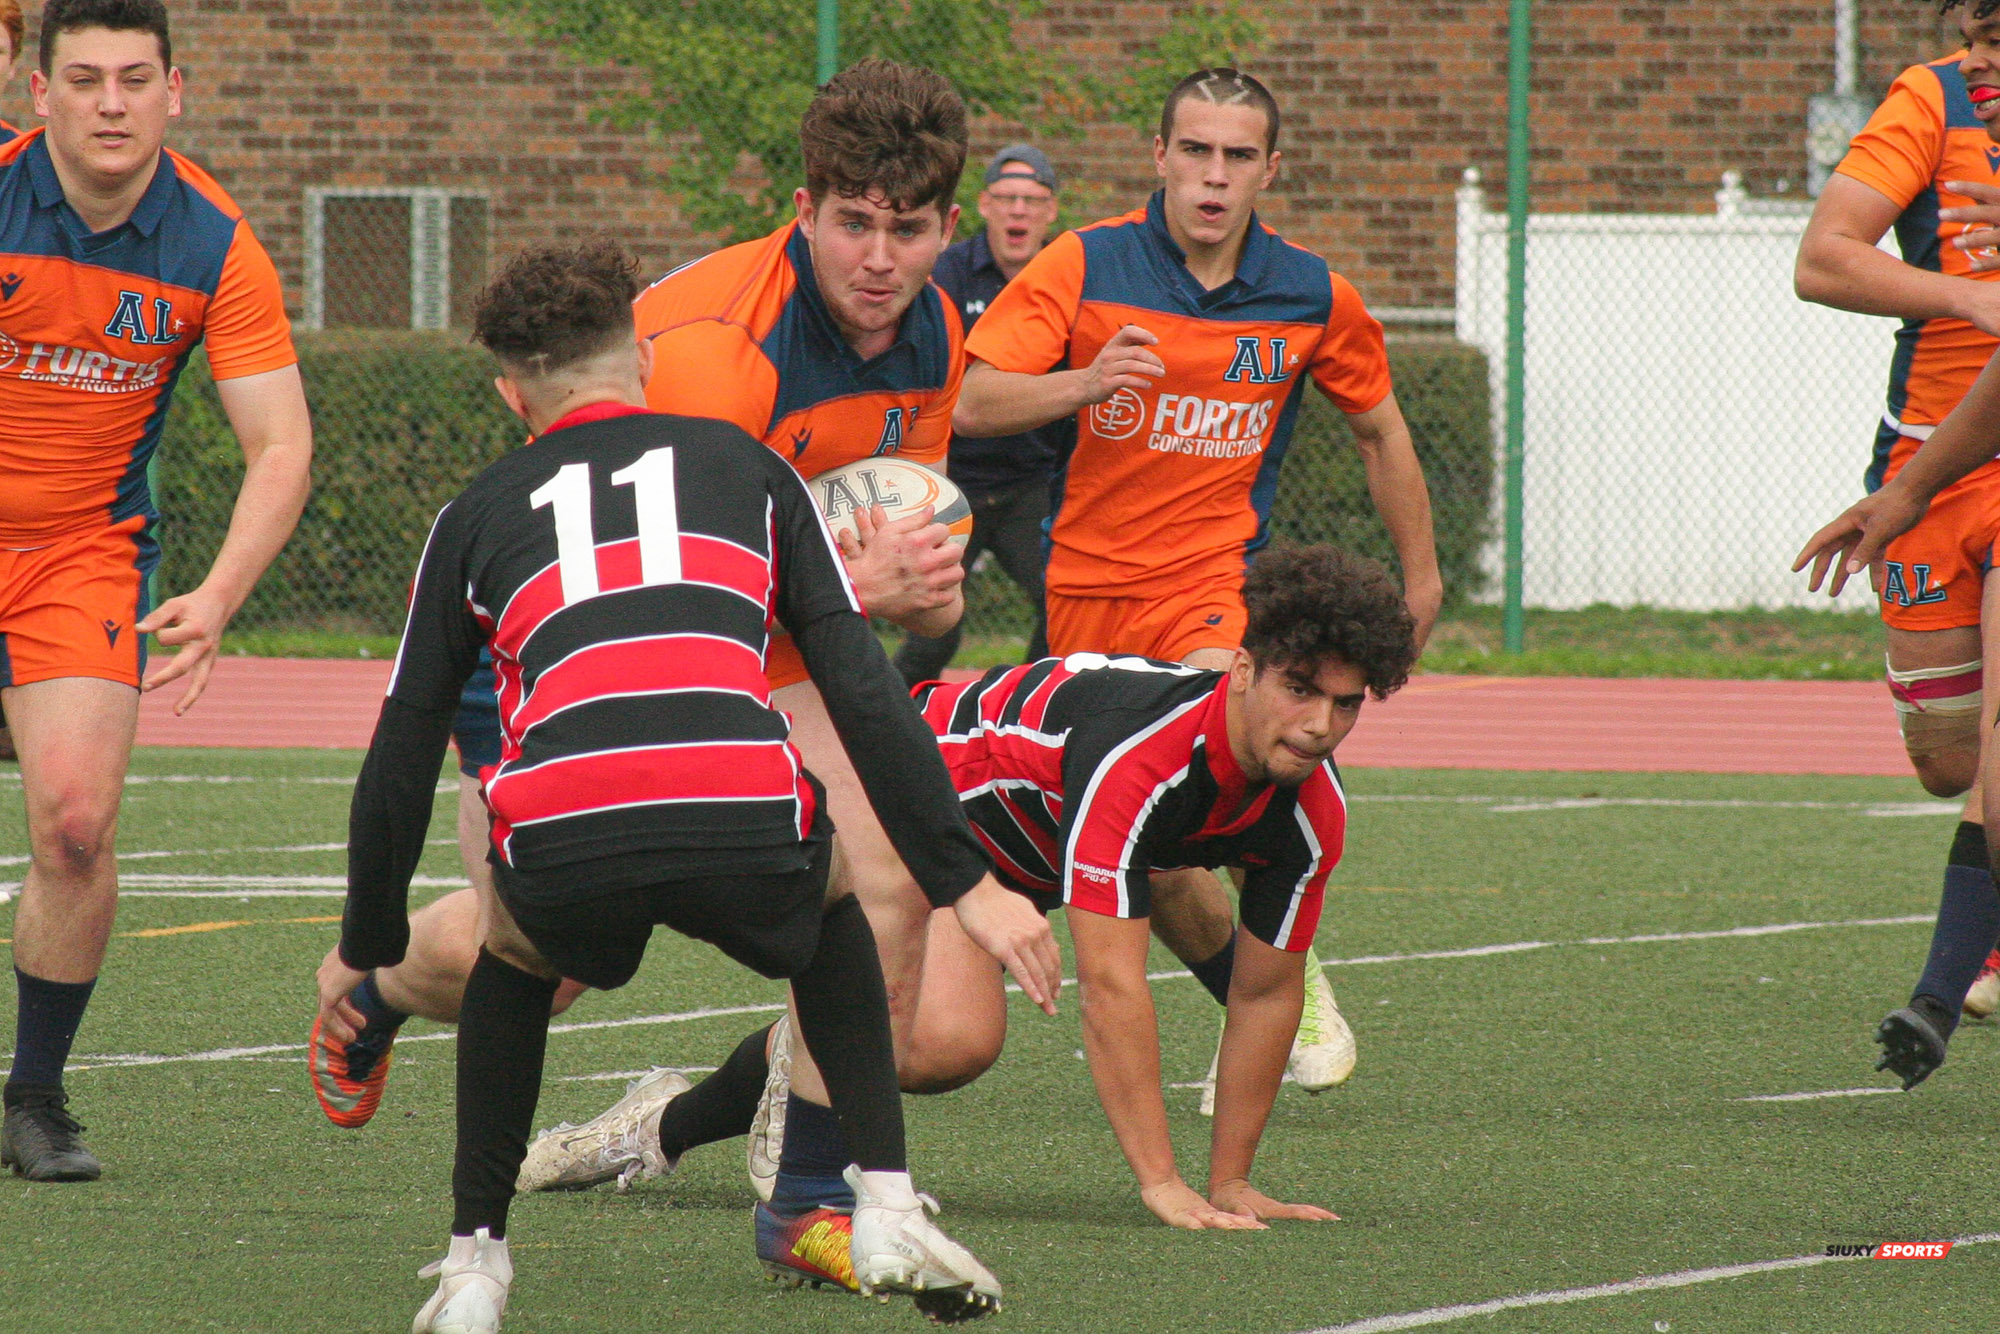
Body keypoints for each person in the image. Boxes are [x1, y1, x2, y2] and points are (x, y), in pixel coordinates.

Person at [317, 240, 1046, 1331]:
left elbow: (401, 750)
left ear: (512, 394)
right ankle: (882, 1199)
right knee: (843, 886)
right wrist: (963, 880)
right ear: (643, 361)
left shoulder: (471, 512)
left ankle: (476, 1260)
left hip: (571, 841)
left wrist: (369, 931)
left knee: (513, 946)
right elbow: (856, 682)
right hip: (744, 823)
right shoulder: (750, 470)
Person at [520, 544, 1416, 1235]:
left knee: (1179, 894)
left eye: (1346, 704)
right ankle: (719, 1108)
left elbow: (1265, 993)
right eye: (1300, 689)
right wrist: (1162, 1183)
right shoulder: (1137, 760)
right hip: (910, 797)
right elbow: (1111, 987)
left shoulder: (1310, 809)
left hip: (1016, 850)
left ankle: (690, 1110)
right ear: (1246, 670)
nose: (1319, 726)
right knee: (947, 1045)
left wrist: (1231, 1183)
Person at [953, 67, 1443, 1103]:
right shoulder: (1082, 263)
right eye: (1194, 151)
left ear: (1269, 168)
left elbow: (1379, 429)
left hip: (1214, 591)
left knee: (1239, 751)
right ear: (1159, 157)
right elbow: (966, 394)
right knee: (1165, 856)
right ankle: (1263, 989)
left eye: (1235, 157)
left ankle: (1287, 970)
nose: (1212, 176)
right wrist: (1084, 382)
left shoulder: (1309, 292)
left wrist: (1422, 577)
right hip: (1082, 601)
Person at [0, 0, 311, 1182]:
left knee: (76, 824)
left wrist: (222, 590)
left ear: (176, 90)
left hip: (82, 551)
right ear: (42, 95)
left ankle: (34, 1096)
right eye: (85, 79)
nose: (112, 102)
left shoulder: (215, 243)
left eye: (136, 78)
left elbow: (279, 442)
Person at [1792, 0, 2000, 1087]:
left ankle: (1938, 993)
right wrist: (1962, 292)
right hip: (1928, 462)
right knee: (1948, 761)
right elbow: (1820, 261)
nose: (1985, 50)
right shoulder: (1931, 102)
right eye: (1978, 27)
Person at [891, 143, 1068, 686]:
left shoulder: (1067, 274)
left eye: (1031, 200)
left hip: (1030, 482)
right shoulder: (947, 274)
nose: (1019, 211)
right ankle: (887, 723)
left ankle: (1025, 708)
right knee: (935, 623)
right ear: (985, 206)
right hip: (951, 480)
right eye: (1007, 198)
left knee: (1060, 605)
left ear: (1051, 211)